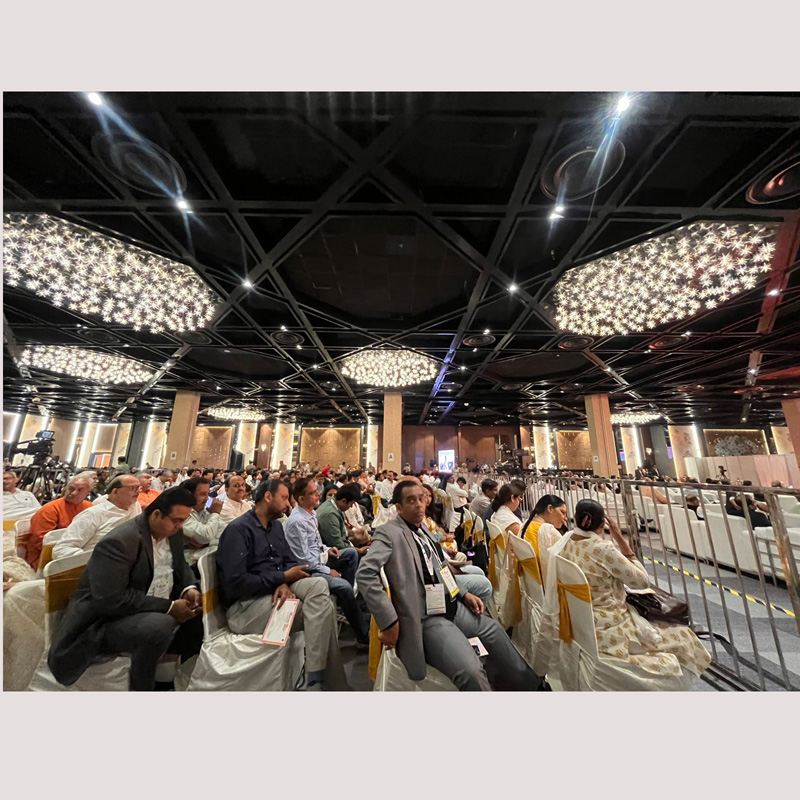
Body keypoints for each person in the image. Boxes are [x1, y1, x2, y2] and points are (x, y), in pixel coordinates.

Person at [356, 480, 545, 691]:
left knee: (494, 630)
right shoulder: (390, 533)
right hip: (426, 617)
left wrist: (463, 594)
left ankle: (531, 686)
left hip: (449, 604)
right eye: (411, 500)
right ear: (399, 508)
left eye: (421, 499)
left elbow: (440, 566)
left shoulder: (423, 528)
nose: (419, 504)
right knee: (471, 671)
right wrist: (389, 621)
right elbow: (365, 574)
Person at [47, 487, 203, 691]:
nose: (180, 526)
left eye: (183, 521)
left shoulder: (172, 532)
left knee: (199, 608)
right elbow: (113, 599)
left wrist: (188, 589)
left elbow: (180, 565)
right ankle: (142, 687)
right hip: (104, 621)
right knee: (159, 625)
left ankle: (167, 673)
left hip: (147, 603)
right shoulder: (121, 541)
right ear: (157, 514)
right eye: (177, 520)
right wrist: (170, 606)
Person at [549, 499, 711, 679]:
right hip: (611, 625)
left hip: (578, 619)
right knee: (683, 635)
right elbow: (642, 582)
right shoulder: (602, 549)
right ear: (603, 525)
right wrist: (620, 538)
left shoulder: (564, 543)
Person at [215, 480, 347, 690]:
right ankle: (323, 678)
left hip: (273, 590)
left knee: (320, 585)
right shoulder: (238, 530)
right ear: (268, 497)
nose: (288, 504)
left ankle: (316, 670)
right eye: (284, 498)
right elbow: (236, 583)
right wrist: (280, 578)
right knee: (325, 608)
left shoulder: (276, 527)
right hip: (246, 607)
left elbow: (290, 561)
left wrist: (283, 580)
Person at [283, 477, 369, 646]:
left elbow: (316, 543)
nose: (318, 495)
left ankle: (345, 605)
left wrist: (327, 549)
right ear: (301, 499)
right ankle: (362, 635)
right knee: (344, 586)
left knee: (351, 554)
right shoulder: (297, 522)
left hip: (319, 559)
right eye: (313, 493)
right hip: (306, 571)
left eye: (317, 492)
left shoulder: (311, 513)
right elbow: (304, 559)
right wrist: (328, 571)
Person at [52, 474, 142, 560]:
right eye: (132, 488)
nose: (137, 492)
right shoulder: (93, 514)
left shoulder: (135, 507)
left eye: (138, 488)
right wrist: (97, 559)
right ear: (115, 492)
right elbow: (61, 550)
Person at [26, 474, 94, 569]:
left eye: (80, 490)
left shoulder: (91, 508)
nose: (74, 493)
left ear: (88, 493)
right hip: (46, 557)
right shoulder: (50, 509)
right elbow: (41, 542)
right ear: (65, 489)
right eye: (71, 488)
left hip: (78, 553)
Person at [520, 494, 567, 585]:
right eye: (562, 512)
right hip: (545, 585)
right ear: (550, 509)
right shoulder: (550, 532)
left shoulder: (526, 524)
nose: (565, 518)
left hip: (528, 582)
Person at [181, 477, 226, 563]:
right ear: (189, 496)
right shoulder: (182, 514)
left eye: (208, 494)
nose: (207, 499)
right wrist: (215, 513)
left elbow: (225, 532)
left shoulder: (205, 511)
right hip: (188, 563)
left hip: (207, 558)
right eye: (202, 494)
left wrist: (206, 543)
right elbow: (205, 536)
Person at [316, 484, 365, 553]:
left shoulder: (334, 504)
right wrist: (359, 551)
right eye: (351, 504)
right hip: (329, 551)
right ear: (344, 501)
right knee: (353, 553)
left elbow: (339, 531)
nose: (351, 507)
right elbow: (337, 544)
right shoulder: (330, 514)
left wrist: (352, 533)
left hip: (338, 545)